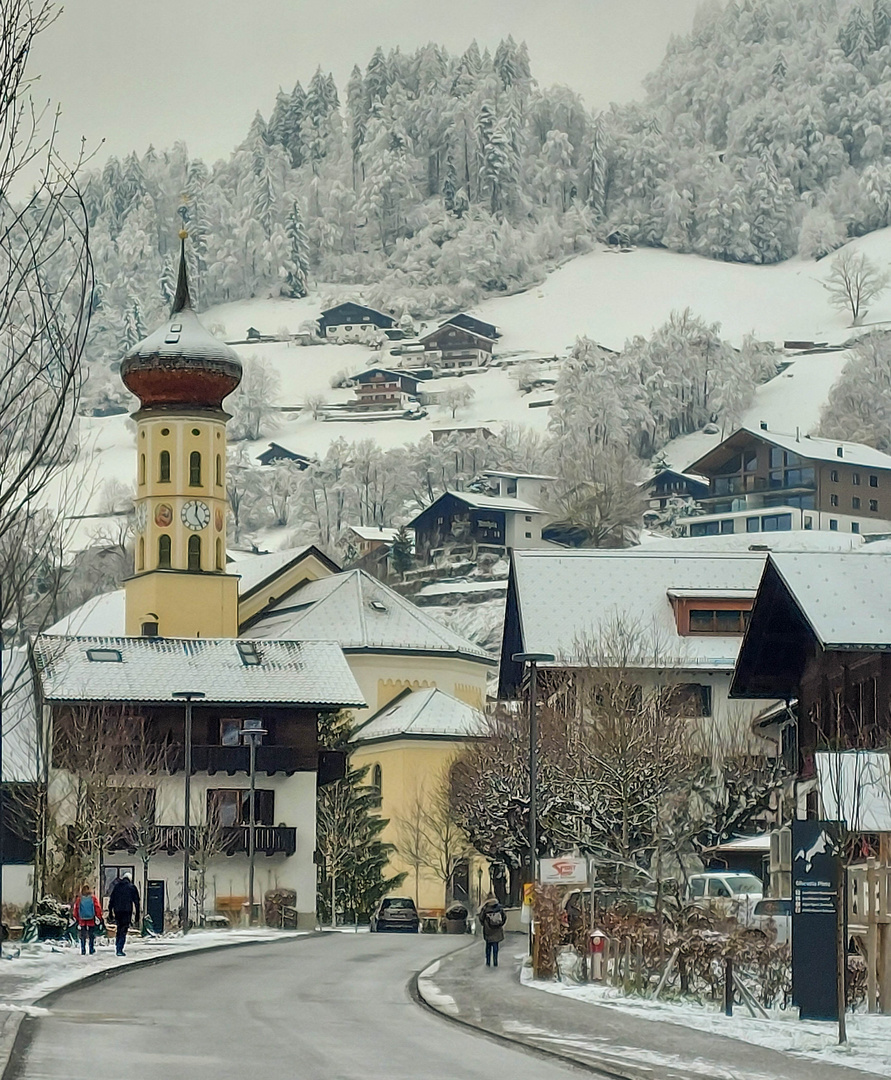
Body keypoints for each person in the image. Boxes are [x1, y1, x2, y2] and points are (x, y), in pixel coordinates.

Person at [108, 871, 141, 957]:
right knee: (124, 929)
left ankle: (118, 946)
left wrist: (110, 912)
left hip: (117, 911)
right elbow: (137, 902)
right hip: (127, 911)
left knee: (119, 928)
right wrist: (137, 915)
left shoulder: (117, 887)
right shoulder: (132, 887)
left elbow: (111, 899)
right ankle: (120, 948)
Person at [73, 884, 103, 956]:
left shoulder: (79, 899)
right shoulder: (93, 898)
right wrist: (99, 916)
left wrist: (76, 918)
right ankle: (91, 949)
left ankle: (83, 949)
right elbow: (97, 907)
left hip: (82, 919)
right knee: (91, 934)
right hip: (91, 919)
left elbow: (76, 908)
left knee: (83, 935)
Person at [478, 892, 505, 967]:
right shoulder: (499, 907)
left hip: (488, 930)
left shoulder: (486, 908)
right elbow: (504, 917)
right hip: (497, 930)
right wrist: (500, 924)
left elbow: (481, 918)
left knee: (488, 946)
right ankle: (495, 961)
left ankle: (488, 961)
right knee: (495, 945)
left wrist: (484, 924)